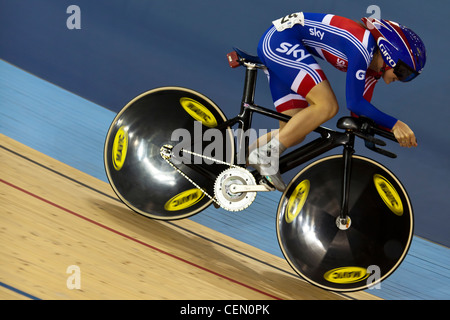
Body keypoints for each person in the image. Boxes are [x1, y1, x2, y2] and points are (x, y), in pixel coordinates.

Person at [248, 12, 426, 191]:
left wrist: (382, 133)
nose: (402, 79)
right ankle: (266, 155)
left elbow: (360, 113)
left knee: (293, 132)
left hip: (282, 42)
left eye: (410, 77)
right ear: (390, 55)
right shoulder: (362, 45)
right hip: (279, 40)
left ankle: (238, 159)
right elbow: (354, 102)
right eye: (404, 72)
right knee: (327, 105)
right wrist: (395, 124)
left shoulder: (374, 71)